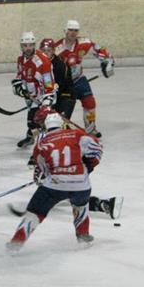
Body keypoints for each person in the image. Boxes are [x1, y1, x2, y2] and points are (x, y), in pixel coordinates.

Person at [6, 108, 103, 252]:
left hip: (55, 185)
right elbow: (97, 149)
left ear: (45, 126)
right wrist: (88, 167)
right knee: (81, 206)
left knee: (35, 213)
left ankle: (16, 243)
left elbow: (42, 168)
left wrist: (50, 175)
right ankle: (83, 236)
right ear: (62, 124)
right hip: (81, 184)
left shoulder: (41, 143)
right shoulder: (77, 134)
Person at [52, 20, 115, 137]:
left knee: (89, 101)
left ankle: (91, 128)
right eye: (70, 30)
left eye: (76, 30)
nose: (73, 33)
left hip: (79, 79)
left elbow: (99, 50)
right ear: (65, 31)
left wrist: (107, 62)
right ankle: (58, 130)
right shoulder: (57, 49)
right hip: (64, 84)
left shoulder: (83, 43)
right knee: (64, 110)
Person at [12, 31, 57, 148]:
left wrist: (46, 104)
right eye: (25, 45)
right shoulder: (21, 60)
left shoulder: (43, 62)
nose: (28, 48)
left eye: (31, 45)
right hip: (32, 98)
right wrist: (18, 87)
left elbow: (49, 86)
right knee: (32, 123)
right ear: (21, 46)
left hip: (43, 98)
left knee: (37, 123)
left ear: (34, 45)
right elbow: (20, 76)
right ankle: (34, 139)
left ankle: (42, 147)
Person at [40, 37, 76, 120]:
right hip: (53, 95)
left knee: (59, 121)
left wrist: (47, 99)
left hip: (66, 96)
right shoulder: (40, 63)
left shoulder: (60, 65)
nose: (46, 53)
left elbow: (57, 85)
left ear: (53, 51)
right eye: (43, 51)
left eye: (48, 50)